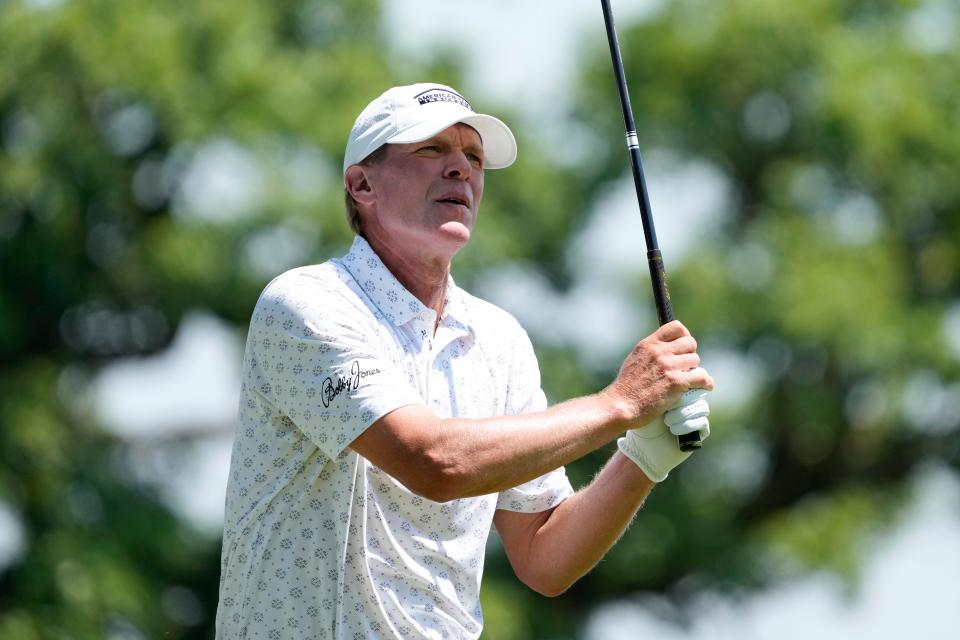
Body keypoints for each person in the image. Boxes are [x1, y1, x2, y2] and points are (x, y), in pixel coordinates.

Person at [215, 82, 713, 640]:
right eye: (431, 150)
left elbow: (544, 556)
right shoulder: (308, 304)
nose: (462, 170)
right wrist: (618, 405)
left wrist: (642, 457)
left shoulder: (500, 340)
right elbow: (433, 461)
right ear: (362, 184)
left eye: (473, 157)